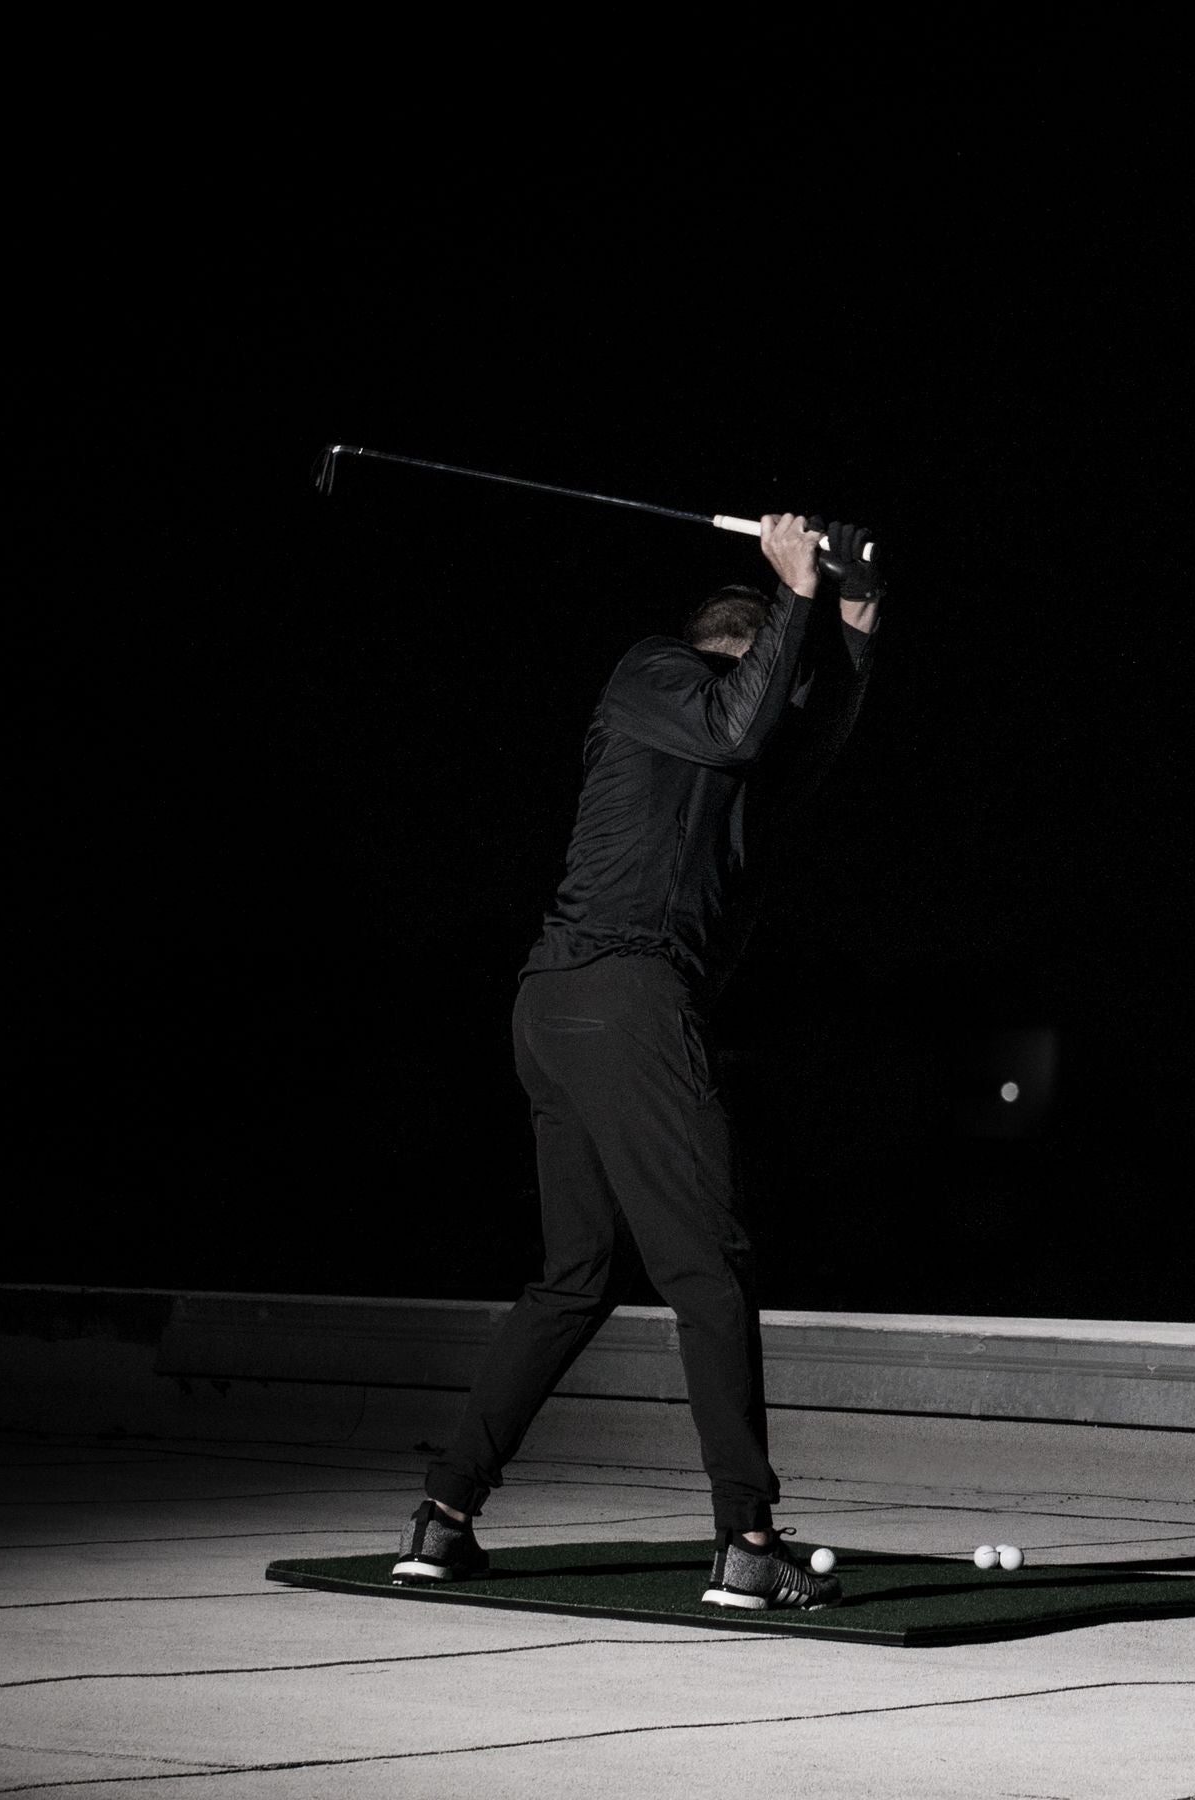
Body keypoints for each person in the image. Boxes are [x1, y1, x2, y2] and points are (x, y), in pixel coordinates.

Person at [389, 512, 882, 1609]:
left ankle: (443, 1516)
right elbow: (748, 722)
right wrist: (794, 597)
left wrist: (851, 605)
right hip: (616, 998)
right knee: (709, 1266)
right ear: (741, 645)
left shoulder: (748, 744)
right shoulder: (653, 677)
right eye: (770, 662)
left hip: (566, 1010)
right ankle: (745, 1541)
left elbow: (812, 728)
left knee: (575, 1277)